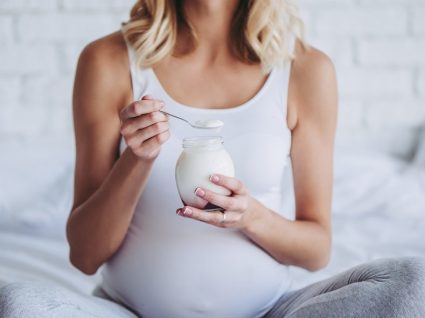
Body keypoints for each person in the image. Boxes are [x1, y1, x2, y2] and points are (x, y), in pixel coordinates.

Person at [1, 0, 424, 317]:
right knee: (18, 303)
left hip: (269, 312)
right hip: (128, 312)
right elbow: (85, 255)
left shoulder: (306, 70)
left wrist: (249, 216)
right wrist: (136, 160)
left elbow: (316, 250)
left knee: (411, 283)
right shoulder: (109, 62)